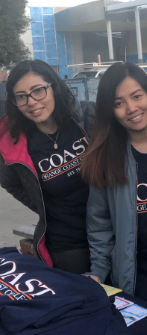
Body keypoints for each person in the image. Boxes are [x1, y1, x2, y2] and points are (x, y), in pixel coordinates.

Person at [81, 62, 147, 302]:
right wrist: (98, 273)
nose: (131, 108)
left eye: (137, 96)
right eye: (118, 103)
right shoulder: (105, 158)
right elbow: (100, 226)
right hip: (137, 277)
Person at [0, 60, 94, 273]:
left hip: (113, 229)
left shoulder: (87, 120)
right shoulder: (16, 145)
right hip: (68, 243)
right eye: (21, 96)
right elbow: (10, 183)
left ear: (53, 87)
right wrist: (44, 205)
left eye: (38, 91)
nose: (31, 102)